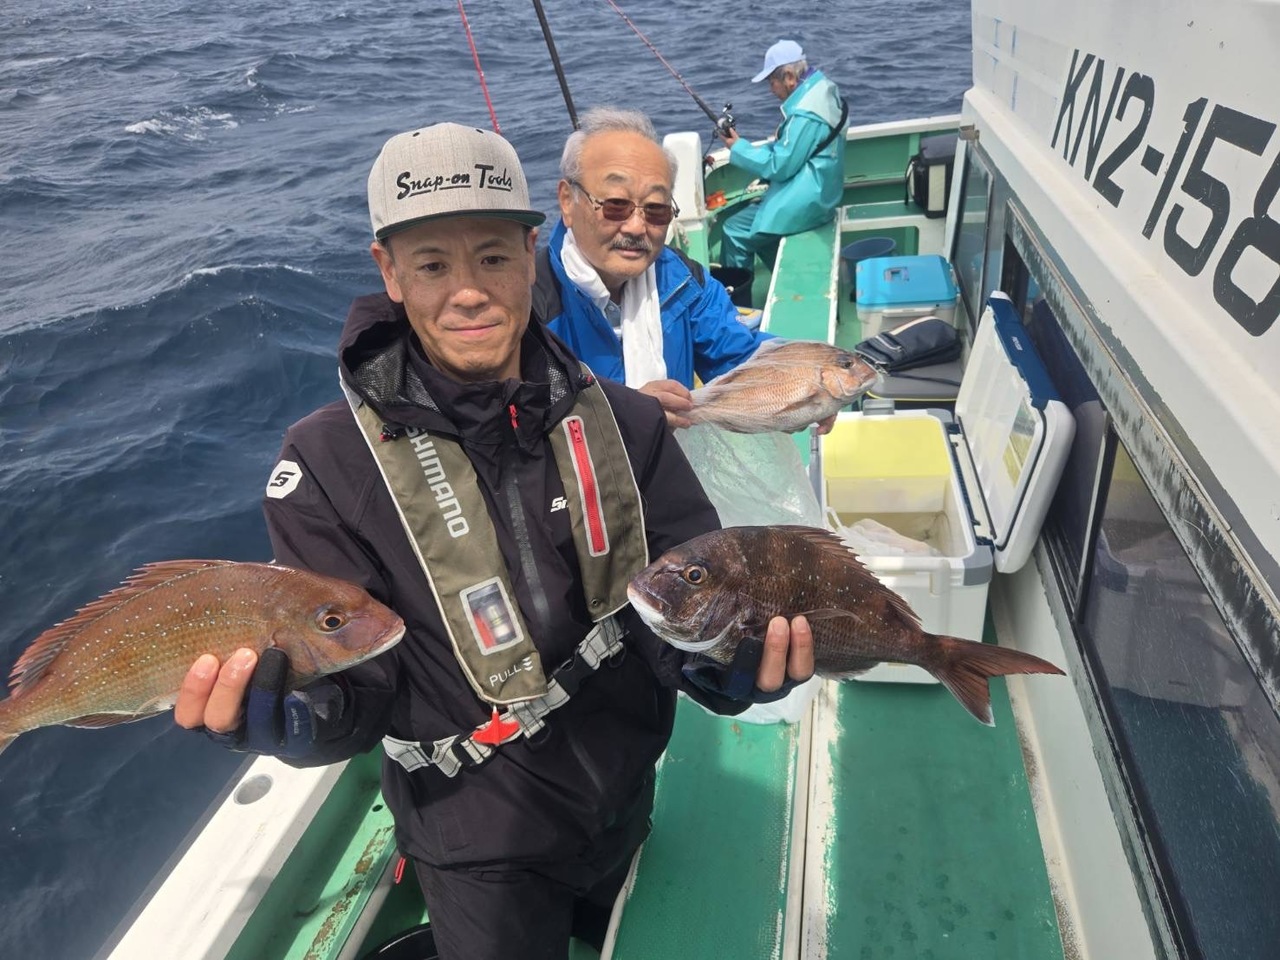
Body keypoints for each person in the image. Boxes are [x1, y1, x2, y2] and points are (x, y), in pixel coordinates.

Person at [173, 122, 814, 960]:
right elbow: (356, 689)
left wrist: (724, 667)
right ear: (389, 272)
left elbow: (684, 604)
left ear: (529, 253)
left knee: (615, 929)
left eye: (492, 257)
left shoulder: (627, 423)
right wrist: (296, 718)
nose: (469, 292)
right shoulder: (326, 464)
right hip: (474, 841)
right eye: (432, 265)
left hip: (625, 786)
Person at [535, 106, 773, 429]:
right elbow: (511, 429)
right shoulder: (528, 308)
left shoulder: (682, 282)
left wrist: (810, 371)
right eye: (616, 204)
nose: (636, 227)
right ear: (567, 201)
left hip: (670, 460)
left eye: (656, 209)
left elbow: (740, 357)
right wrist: (626, 416)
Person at [718, 39, 847, 274]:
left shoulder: (805, 115)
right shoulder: (822, 90)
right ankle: (791, 274)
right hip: (823, 192)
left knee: (733, 231)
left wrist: (737, 148)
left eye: (772, 82)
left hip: (809, 203)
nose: (771, 89)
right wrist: (743, 147)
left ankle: (734, 295)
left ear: (789, 76)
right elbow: (792, 150)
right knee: (761, 236)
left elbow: (780, 166)